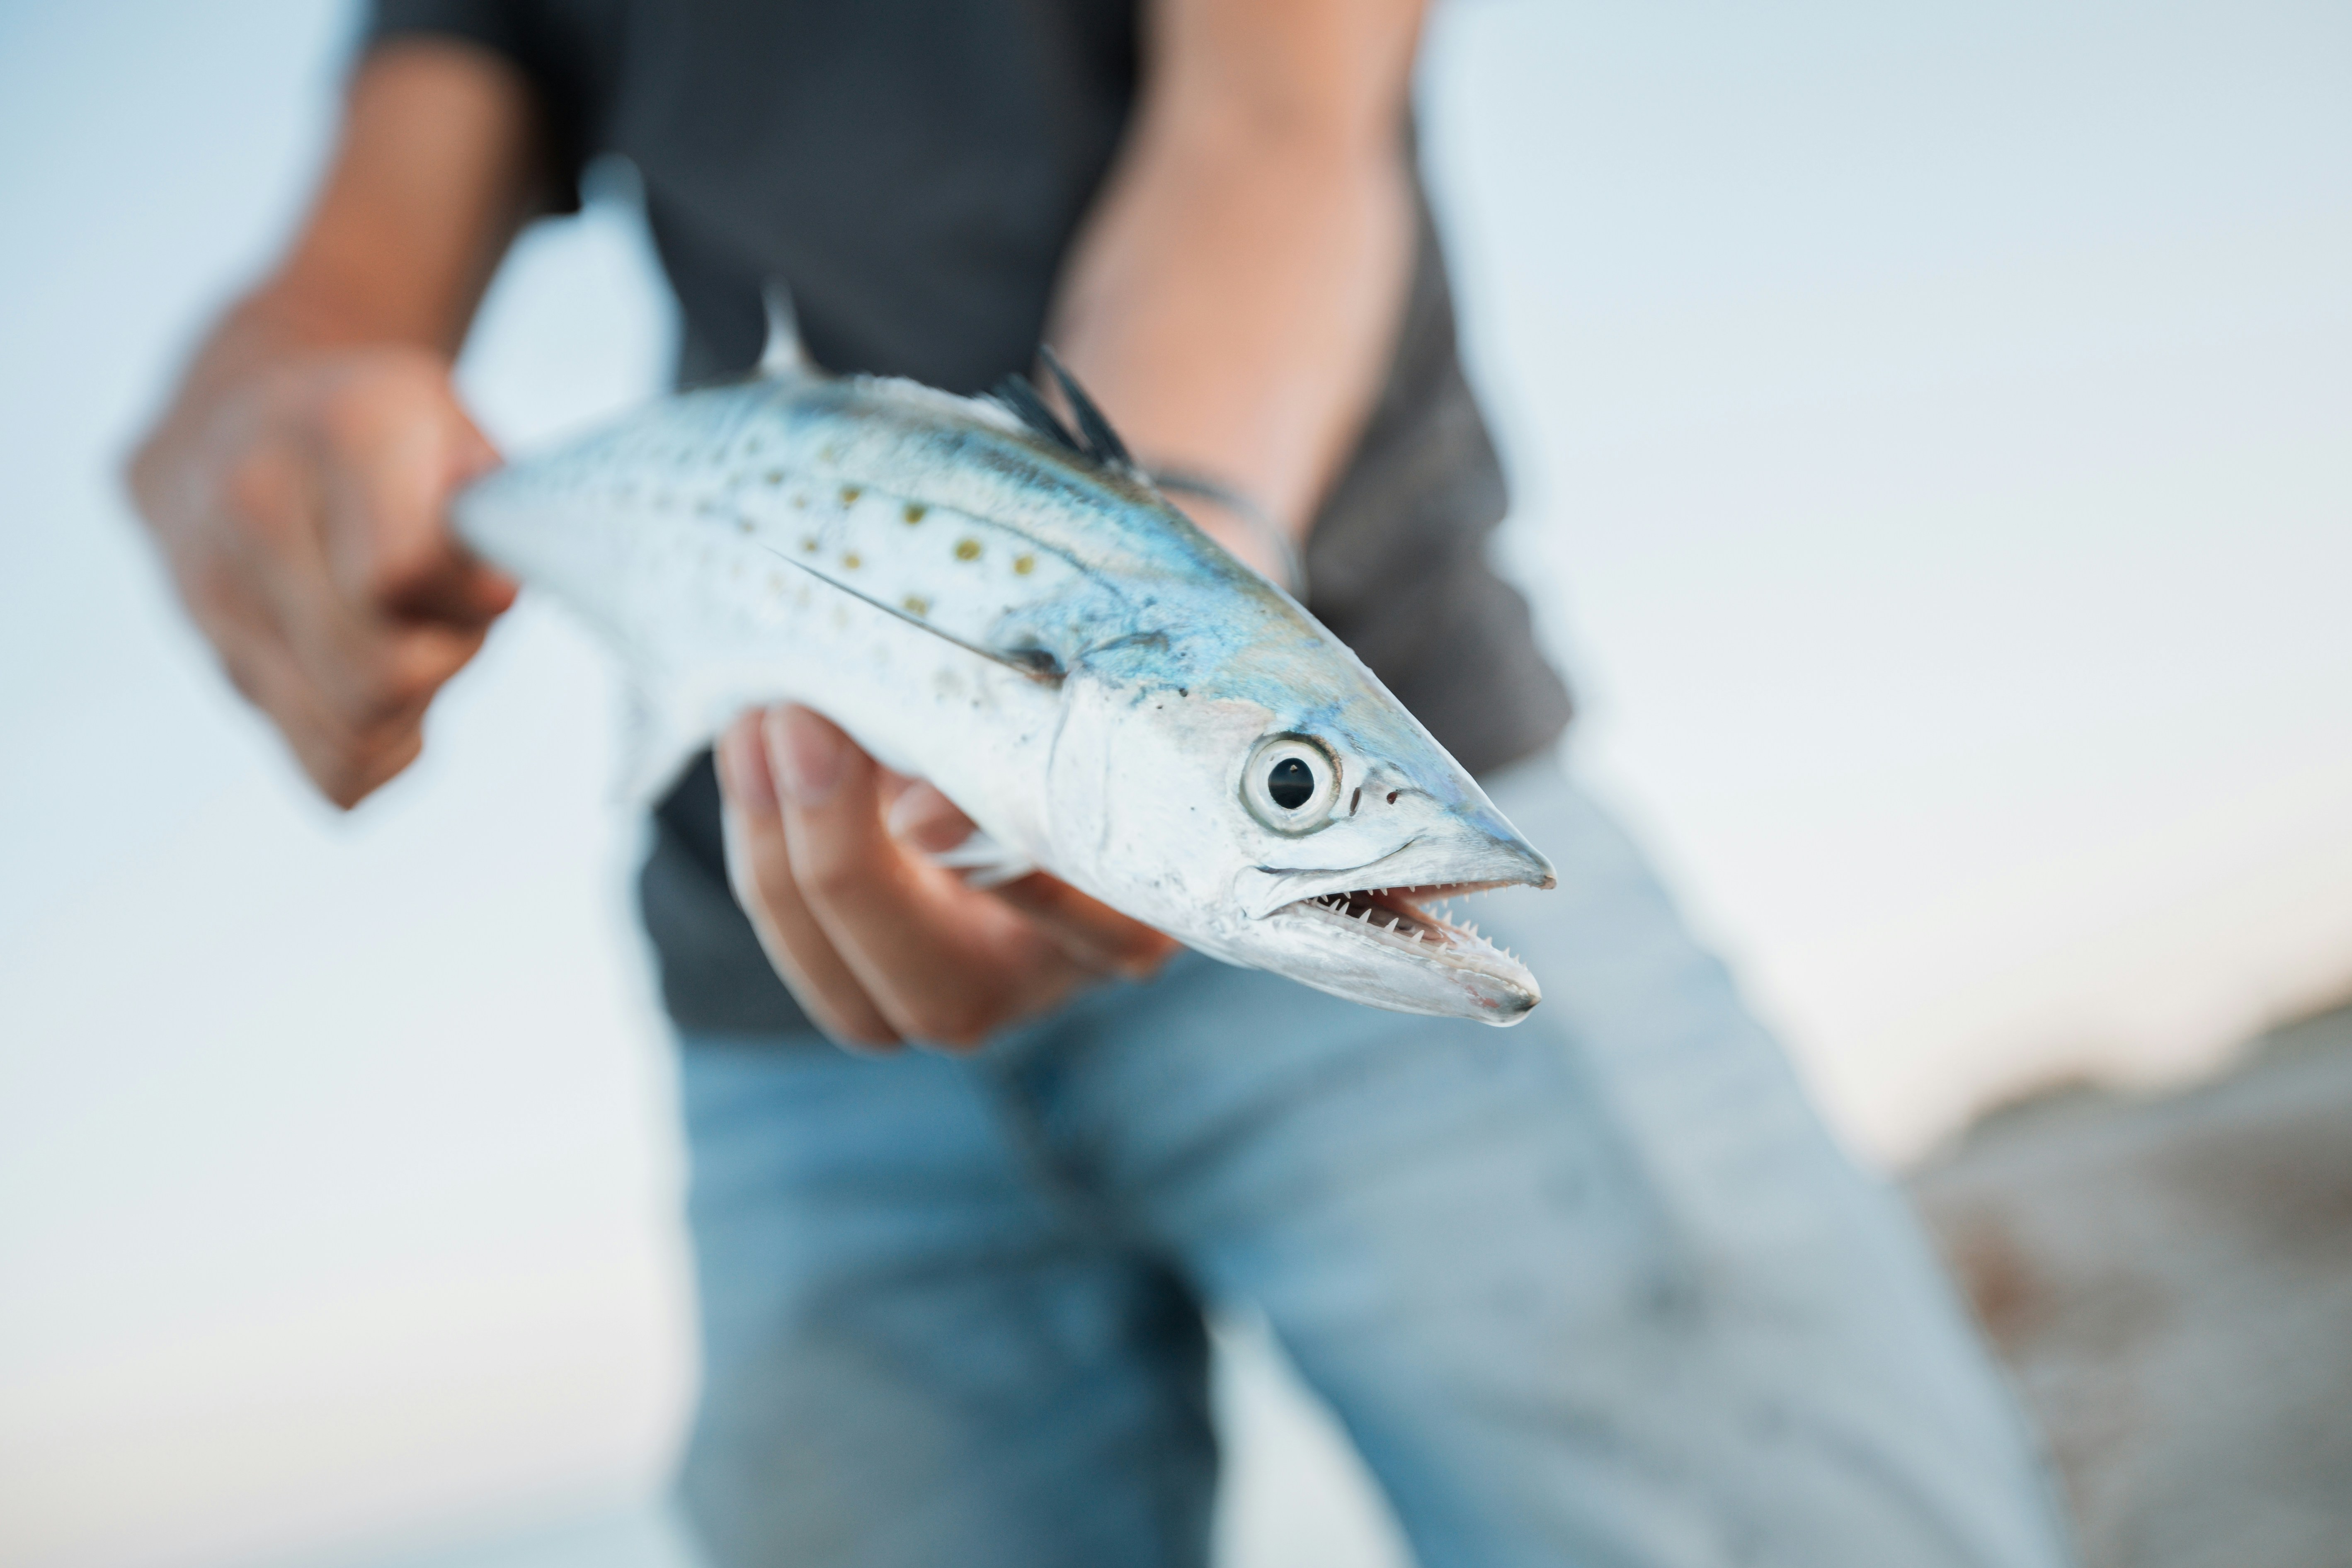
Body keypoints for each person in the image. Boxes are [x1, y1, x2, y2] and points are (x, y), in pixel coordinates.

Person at [126, 2, 2077, 1564]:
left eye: (1288, 785)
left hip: (1407, 755)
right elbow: (336, 293)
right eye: (1298, 789)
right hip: (774, 1004)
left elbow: (1280, 126)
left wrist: (1195, 538)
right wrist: (268, 435)